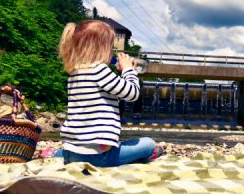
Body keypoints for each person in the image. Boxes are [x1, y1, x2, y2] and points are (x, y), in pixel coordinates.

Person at [43, 20, 163, 166]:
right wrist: (128, 70)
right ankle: (147, 155)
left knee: (98, 147)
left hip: (71, 152)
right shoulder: (99, 70)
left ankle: (56, 153)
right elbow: (132, 93)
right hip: (98, 157)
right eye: (110, 48)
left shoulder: (75, 73)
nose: (111, 52)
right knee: (148, 143)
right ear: (100, 49)